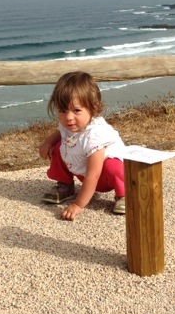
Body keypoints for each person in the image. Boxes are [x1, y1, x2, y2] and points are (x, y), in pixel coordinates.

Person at [38, 71, 126, 221]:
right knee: (59, 148)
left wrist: (78, 205)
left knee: (114, 166)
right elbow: (60, 132)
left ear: (94, 108)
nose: (68, 117)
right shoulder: (68, 124)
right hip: (83, 169)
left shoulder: (95, 135)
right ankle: (65, 186)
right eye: (62, 110)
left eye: (77, 110)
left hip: (104, 177)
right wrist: (48, 143)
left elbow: (94, 175)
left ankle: (123, 194)